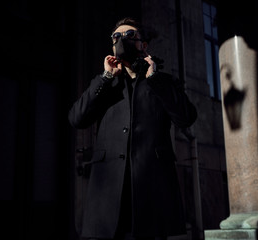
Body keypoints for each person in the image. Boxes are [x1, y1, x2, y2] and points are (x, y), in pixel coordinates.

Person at [68, 17, 197, 240]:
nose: (121, 40)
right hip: (108, 193)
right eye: (116, 37)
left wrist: (155, 79)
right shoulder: (105, 84)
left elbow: (186, 118)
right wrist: (107, 77)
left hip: (151, 190)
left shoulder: (162, 81)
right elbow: (77, 118)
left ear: (143, 45)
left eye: (129, 36)